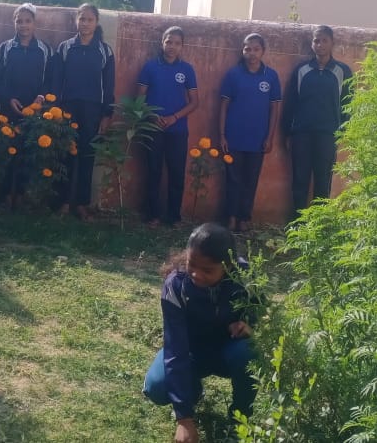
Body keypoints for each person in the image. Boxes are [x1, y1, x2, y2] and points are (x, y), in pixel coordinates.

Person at [143, 223, 262, 443]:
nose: (196, 274)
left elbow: (261, 311)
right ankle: (192, 393)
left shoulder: (245, 276)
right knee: (157, 387)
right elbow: (175, 349)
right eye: (192, 264)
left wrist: (249, 325)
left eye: (208, 270)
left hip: (229, 351)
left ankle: (240, 419)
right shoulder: (175, 285)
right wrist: (184, 419)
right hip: (191, 353)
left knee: (248, 351)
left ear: (227, 266)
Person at [283, 25, 353, 220]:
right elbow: (291, 102)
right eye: (316, 41)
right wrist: (287, 132)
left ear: (332, 43)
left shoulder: (342, 71)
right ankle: (297, 224)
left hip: (328, 134)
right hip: (301, 134)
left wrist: (343, 130)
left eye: (324, 40)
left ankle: (318, 225)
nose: (320, 44)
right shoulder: (302, 70)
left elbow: (348, 103)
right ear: (312, 44)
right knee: (300, 179)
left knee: (323, 180)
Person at [53, 3, 115, 220]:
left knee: (87, 156)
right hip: (67, 108)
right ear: (76, 21)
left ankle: (81, 204)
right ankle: (62, 202)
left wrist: (106, 115)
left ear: (96, 23)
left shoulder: (105, 51)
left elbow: (109, 86)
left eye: (90, 19)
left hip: (92, 110)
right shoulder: (65, 48)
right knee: (64, 154)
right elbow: (56, 81)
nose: (86, 23)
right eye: (82, 19)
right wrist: (56, 110)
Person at [0, 3, 52, 210]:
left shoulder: (45, 50)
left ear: (34, 23)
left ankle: (22, 195)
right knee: (7, 152)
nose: (23, 25)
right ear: (14, 23)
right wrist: (8, 98)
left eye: (28, 21)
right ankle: (5, 194)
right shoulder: (4, 49)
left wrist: (40, 99)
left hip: (35, 111)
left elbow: (51, 80)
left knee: (28, 153)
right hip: (9, 109)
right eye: (19, 21)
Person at [220, 33, 281, 233]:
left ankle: (244, 218)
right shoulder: (233, 74)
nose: (252, 53)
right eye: (247, 49)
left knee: (250, 180)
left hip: (258, 139)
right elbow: (223, 106)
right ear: (242, 51)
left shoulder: (271, 76)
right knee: (233, 179)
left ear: (263, 51)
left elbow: (274, 109)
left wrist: (269, 137)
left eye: (256, 49)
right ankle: (231, 217)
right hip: (234, 137)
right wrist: (222, 135)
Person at [137, 26, 199, 226]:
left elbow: (195, 102)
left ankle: (174, 217)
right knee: (153, 171)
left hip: (178, 130)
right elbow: (140, 98)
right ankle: (153, 215)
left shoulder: (187, 69)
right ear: (162, 43)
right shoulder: (150, 67)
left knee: (176, 173)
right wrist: (151, 116)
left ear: (182, 46)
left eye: (177, 43)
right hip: (153, 128)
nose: (172, 46)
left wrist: (174, 117)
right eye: (169, 42)